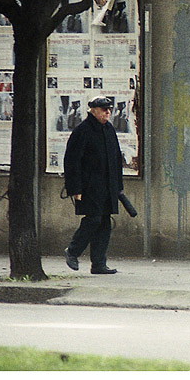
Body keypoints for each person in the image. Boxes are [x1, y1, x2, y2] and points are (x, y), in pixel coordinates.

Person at [63, 96, 123, 274]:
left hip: (107, 186)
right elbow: (72, 161)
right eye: (104, 110)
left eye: (109, 109)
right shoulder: (83, 130)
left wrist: (118, 186)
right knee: (93, 219)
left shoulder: (109, 129)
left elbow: (116, 159)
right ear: (93, 111)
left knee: (104, 223)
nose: (108, 113)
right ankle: (72, 251)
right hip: (89, 186)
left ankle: (98, 264)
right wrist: (75, 188)